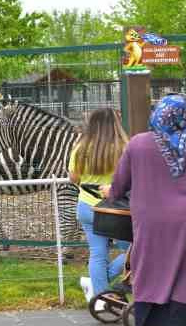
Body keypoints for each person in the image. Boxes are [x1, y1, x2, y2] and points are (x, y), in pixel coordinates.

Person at [104, 94, 186, 326]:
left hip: (152, 222)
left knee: (151, 270)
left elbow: (118, 187)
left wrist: (109, 192)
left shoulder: (137, 143)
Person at [68, 108, 130, 304]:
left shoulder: (80, 148)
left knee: (97, 253)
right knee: (136, 249)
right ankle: (102, 288)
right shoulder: (125, 147)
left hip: (87, 206)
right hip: (117, 209)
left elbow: (74, 178)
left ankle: (101, 297)